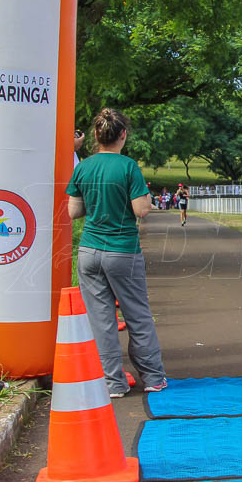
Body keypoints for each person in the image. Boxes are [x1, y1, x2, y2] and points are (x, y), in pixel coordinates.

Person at [66, 108, 167, 397]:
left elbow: (74, 211)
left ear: (96, 135)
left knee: (101, 320)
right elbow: (141, 209)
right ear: (123, 135)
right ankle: (153, 377)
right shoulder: (128, 167)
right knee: (138, 315)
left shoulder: (82, 168)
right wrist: (144, 198)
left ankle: (113, 383)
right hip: (122, 250)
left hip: (89, 251)